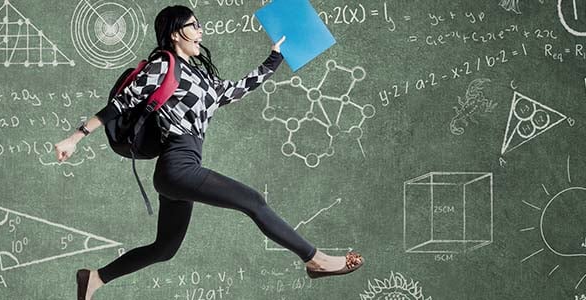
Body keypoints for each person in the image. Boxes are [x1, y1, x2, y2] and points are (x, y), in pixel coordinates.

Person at [54, 5, 363, 300]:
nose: (201, 31)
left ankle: (94, 278)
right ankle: (315, 259)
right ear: (176, 33)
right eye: (194, 25)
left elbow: (235, 90)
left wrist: (274, 57)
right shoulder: (163, 65)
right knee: (253, 201)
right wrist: (75, 138)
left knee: (165, 248)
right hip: (177, 165)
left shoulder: (201, 77)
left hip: (178, 170)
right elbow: (122, 103)